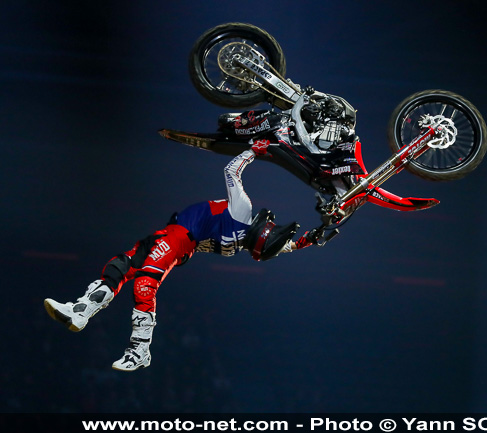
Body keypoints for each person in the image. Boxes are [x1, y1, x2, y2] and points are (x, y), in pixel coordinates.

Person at [43, 140, 311, 371]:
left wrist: (253, 151)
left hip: (180, 238)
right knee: (123, 264)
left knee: (144, 281)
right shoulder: (239, 244)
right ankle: (81, 310)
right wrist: (301, 243)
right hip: (175, 236)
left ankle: (140, 350)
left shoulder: (242, 212)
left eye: (271, 229)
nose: (270, 225)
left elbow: (231, 171)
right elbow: (271, 248)